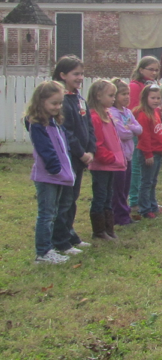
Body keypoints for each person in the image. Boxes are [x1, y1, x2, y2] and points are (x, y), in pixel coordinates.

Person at [26, 81, 75, 264]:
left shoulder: (55, 123)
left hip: (60, 175)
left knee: (53, 213)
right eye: (54, 103)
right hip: (48, 176)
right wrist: (56, 168)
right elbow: (46, 150)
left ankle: (51, 247)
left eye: (60, 103)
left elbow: (63, 147)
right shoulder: (37, 125)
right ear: (41, 102)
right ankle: (43, 252)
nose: (58, 107)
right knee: (46, 214)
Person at [52, 55, 96, 253]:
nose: (80, 77)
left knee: (73, 198)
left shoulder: (79, 98)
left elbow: (89, 126)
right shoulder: (61, 101)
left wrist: (92, 150)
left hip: (82, 157)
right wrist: (80, 153)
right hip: (69, 158)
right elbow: (66, 130)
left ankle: (69, 233)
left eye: (81, 74)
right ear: (62, 75)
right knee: (65, 200)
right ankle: (60, 240)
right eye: (75, 74)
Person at [87, 80, 127, 240]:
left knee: (108, 195)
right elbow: (96, 143)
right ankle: (98, 231)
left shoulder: (107, 114)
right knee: (100, 196)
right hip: (102, 165)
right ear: (98, 96)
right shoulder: (95, 117)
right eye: (110, 95)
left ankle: (108, 228)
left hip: (112, 164)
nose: (113, 99)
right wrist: (110, 158)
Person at [128, 56, 161, 211]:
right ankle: (134, 200)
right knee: (136, 167)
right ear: (141, 70)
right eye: (151, 69)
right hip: (138, 129)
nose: (154, 73)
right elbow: (134, 109)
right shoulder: (135, 86)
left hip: (151, 128)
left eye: (156, 70)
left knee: (149, 174)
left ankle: (147, 201)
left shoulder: (152, 85)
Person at [109, 79, 143, 226]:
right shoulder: (112, 113)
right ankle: (119, 216)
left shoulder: (128, 112)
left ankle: (124, 213)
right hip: (118, 156)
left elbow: (139, 129)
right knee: (118, 188)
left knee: (125, 186)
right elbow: (122, 133)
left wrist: (130, 128)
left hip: (128, 155)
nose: (127, 97)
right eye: (123, 94)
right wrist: (131, 129)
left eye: (128, 94)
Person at [134, 84, 162, 219]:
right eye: (152, 98)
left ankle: (153, 205)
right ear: (145, 98)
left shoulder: (155, 112)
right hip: (148, 153)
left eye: (158, 98)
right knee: (146, 182)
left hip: (157, 151)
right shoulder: (144, 115)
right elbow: (144, 137)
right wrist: (148, 154)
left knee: (153, 181)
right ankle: (144, 208)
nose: (156, 100)